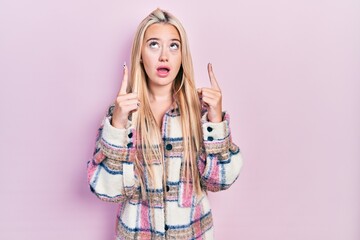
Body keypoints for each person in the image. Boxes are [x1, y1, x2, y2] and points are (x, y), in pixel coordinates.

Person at [87, 8, 243, 240]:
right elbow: (106, 190)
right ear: (140, 54)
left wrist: (216, 121)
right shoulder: (122, 115)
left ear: (182, 56)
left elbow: (220, 180)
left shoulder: (200, 113)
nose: (164, 56)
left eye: (173, 46)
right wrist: (118, 125)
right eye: (153, 44)